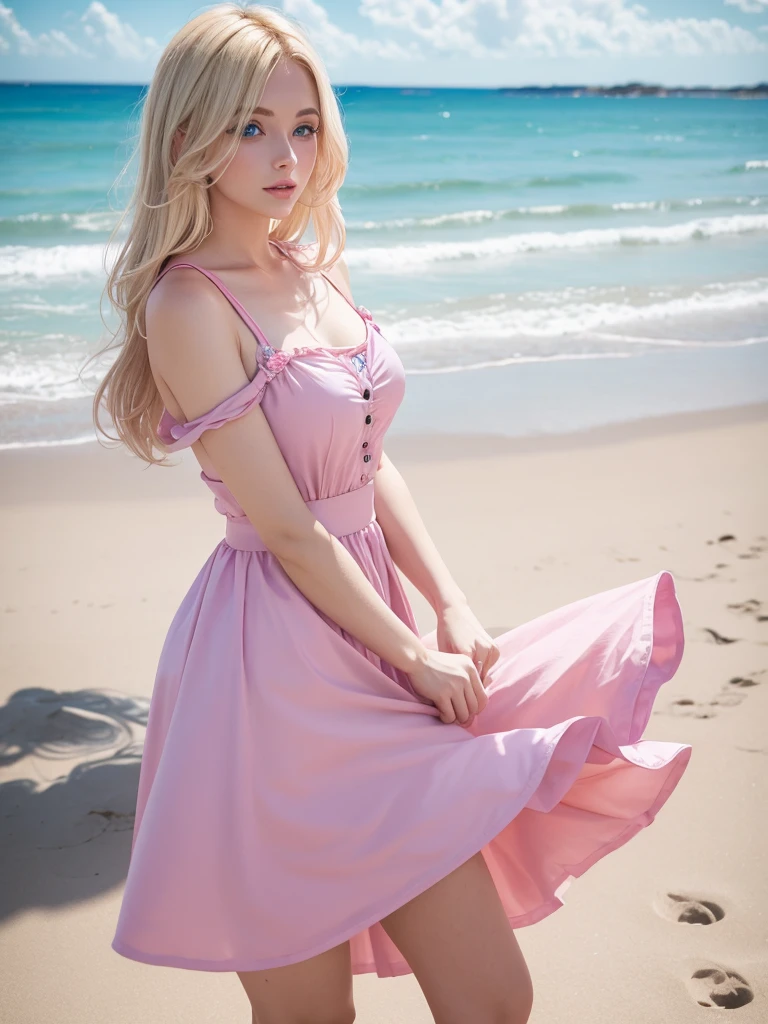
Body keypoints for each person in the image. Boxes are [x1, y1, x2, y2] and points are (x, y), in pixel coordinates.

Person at [96, 5, 691, 1023]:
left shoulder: (311, 268)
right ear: (189, 136)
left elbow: (369, 465)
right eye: (250, 126)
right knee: (308, 1017)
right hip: (270, 679)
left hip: (376, 634)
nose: (285, 154)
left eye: (303, 124)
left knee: (494, 998)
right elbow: (286, 525)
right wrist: (415, 658)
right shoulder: (186, 306)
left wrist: (448, 607)